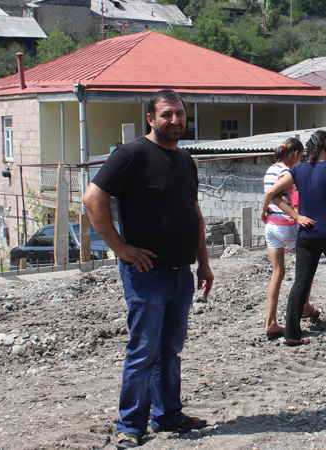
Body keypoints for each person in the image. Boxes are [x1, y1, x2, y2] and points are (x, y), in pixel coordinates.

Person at [82, 90, 213, 449]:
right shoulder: (132, 155)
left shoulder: (185, 160)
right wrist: (120, 248)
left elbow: (194, 213)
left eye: (180, 114)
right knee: (143, 352)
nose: (175, 120)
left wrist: (203, 261)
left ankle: (168, 414)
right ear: (151, 119)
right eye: (167, 114)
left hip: (180, 274)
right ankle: (130, 425)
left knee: (170, 350)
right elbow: (93, 197)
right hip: (146, 275)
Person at [261, 130, 326, 346]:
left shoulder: (298, 170)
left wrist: (295, 216)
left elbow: (272, 193)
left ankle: (291, 333)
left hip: (307, 234)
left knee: (301, 282)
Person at [262, 138, 320, 341]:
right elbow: (275, 196)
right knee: (307, 268)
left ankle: (270, 322)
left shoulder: (270, 169)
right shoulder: (286, 172)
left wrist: (263, 210)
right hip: (287, 225)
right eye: (301, 155)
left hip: (271, 226)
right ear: (295, 153)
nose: (301, 159)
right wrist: (297, 216)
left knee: (277, 272)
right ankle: (304, 306)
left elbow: (269, 195)